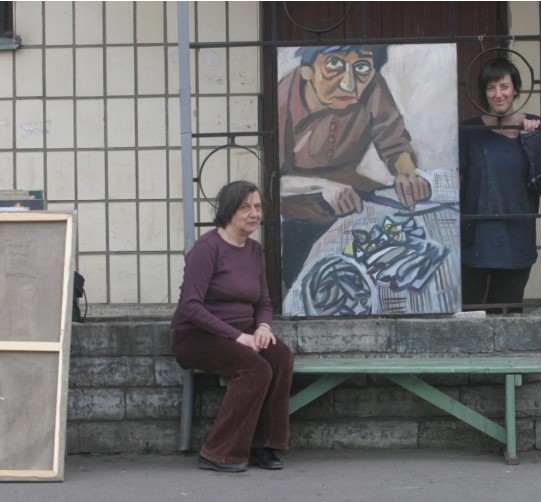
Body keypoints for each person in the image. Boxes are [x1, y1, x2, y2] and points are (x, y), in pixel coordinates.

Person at [277, 44, 431, 288]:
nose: (349, 83)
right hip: (298, 218)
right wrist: (322, 187)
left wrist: (407, 173)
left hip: (354, 207)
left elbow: (393, 141)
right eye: (334, 65)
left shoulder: (371, 85)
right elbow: (270, 181)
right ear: (308, 71)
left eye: (361, 67)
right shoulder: (282, 100)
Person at [172, 181, 293, 473]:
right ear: (228, 211)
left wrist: (263, 327)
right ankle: (218, 452)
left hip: (242, 332)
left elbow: (263, 301)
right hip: (197, 335)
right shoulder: (207, 248)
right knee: (255, 368)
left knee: (280, 356)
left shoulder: (254, 251)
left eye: (258, 207)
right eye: (245, 207)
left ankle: (262, 446)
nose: (254, 214)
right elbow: (191, 306)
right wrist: (237, 336)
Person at [459, 57, 541, 313]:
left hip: (516, 240)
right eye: (491, 88)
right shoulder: (469, 131)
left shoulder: (534, 127)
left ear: (516, 89)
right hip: (475, 241)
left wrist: (531, 141)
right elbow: (451, 179)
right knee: (468, 317)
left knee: (507, 317)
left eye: (504, 86)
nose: (498, 94)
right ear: (483, 93)